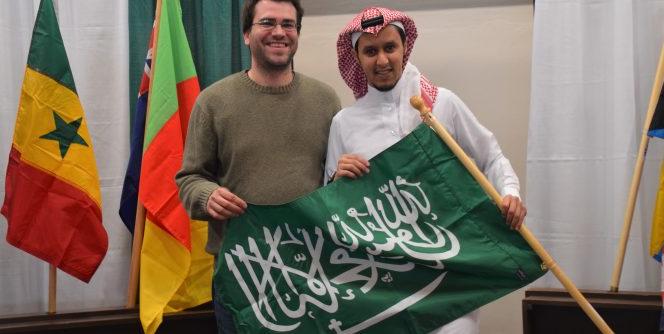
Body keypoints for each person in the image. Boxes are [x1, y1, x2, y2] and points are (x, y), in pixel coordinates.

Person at [325, 7, 527, 334]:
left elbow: (491, 156)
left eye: (390, 47)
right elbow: (330, 209)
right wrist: (336, 180)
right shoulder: (344, 124)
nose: (382, 60)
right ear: (357, 58)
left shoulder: (441, 103)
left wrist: (510, 194)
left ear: (404, 48)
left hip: (451, 270)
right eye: (370, 51)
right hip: (386, 282)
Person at [175, 0, 340, 332]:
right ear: (247, 34)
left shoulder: (326, 100)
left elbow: (334, 185)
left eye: (288, 25)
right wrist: (207, 196)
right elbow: (189, 178)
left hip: (310, 273)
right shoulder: (213, 102)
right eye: (267, 23)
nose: (279, 32)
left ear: (297, 34)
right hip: (241, 274)